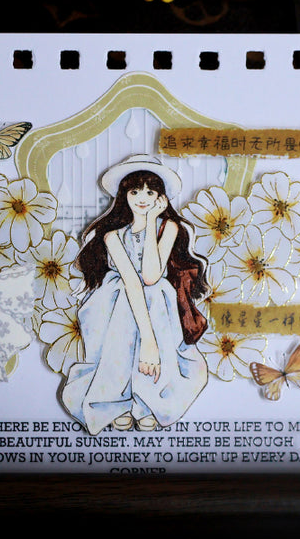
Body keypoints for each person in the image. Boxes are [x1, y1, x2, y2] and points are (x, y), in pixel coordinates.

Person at [60, 154, 209, 434]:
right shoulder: (112, 235)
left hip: (156, 299)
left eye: (150, 192)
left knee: (154, 295)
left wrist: (151, 220)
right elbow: (132, 281)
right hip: (117, 299)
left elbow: (151, 275)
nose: (142, 198)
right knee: (126, 317)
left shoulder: (168, 227)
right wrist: (147, 340)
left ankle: (146, 403)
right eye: (135, 191)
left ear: (160, 197)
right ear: (124, 195)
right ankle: (117, 401)